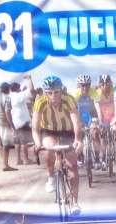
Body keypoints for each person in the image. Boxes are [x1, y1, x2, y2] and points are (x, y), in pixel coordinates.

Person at [32, 75, 82, 209]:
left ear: (62, 90)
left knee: (73, 167)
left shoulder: (69, 99)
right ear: (45, 93)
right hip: (48, 131)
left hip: (67, 131)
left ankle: (75, 202)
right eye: (49, 93)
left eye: (56, 92)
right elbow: (35, 127)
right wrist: (37, 143)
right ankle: (51, 177)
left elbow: (76, 123)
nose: (53, 96)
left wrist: (77, 140)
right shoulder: (40, 102)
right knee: (49, 150)